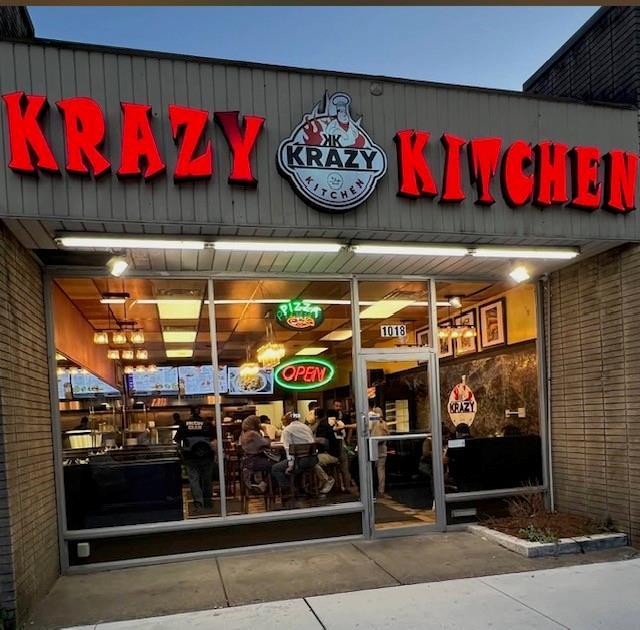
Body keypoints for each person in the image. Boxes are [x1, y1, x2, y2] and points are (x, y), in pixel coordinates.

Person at [271, 412, 334, 502]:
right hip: (312, 460)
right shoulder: (306, 427)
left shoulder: (287, 430)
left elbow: (288, 449)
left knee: (275, 468)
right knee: (298, 469)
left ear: (287, 420)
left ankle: (288, 489)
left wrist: (290, 466)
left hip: (299, 462)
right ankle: (300, 488)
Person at [174, 406, 217, 512]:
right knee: (207, 479)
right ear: (200, 412)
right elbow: (214, 440)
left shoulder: (184, 424)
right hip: (207, 456)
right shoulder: (207, 424)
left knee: (194, 480)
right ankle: (208, 502)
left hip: (190, 456)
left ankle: (199, 504)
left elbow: (177, 440)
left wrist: (183, 448)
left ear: (191, 413)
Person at [240, 414, 272, 494]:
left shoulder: (243, 433)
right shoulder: (253, 434)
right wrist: (265, 431)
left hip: (246, 460)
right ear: (255, 424)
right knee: (275, 466)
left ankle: (263, 484)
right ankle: (264, 484)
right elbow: (267, 443)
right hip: (254, 461)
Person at [327, 399, 355, 492]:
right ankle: (339, 486)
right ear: (333, 406)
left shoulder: (345, 416)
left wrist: (348, 439)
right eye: (336, 406)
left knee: (344, 466)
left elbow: (350, 428)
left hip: (342, 442)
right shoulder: (330, 418)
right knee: (339, 465)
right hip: (335, 443)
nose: (338, 408)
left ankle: (347, 486)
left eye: (339, 406)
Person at [369, 406, 390, 499]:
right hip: (382, 448)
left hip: (373, 448)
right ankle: (381, 491)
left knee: (372, 470)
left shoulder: (372, 421)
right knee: (381, 470)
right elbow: (388, 434)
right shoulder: (383, 423)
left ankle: (372, 491)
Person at [314, 408, 340, 473]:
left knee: (312, 461)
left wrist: (310, 439)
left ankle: (327, 478)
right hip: (335, 453)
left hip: (330, 454)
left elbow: (323, 440)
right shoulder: (326, 423)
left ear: (316, 417)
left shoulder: (322, 425)